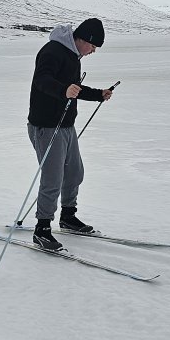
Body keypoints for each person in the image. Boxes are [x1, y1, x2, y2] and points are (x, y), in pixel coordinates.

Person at [27, 18, 113, 250]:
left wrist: (98, 94)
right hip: (46, 126)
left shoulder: (74, 57)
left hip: (65, 125)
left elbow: (73, 89)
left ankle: (68, 217)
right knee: (53, 178)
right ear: (84, 39)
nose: (93, 51)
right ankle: (42, 229)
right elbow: (42, 81)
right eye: (93, 47)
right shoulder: (52, 51)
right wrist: (63, 90)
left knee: (74, 172)